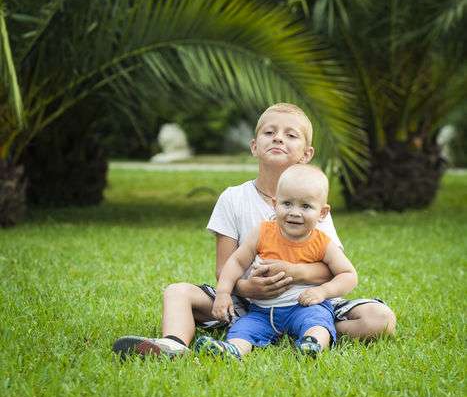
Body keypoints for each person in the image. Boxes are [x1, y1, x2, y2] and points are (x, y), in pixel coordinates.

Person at [113, 103, 396, 359]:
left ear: (306, 154)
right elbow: (225, 267)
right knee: (177, 292)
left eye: (291, 135)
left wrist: (293, 273)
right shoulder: (233, 198)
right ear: (254, 146)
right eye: (269, 132)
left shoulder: (313, 204)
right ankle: (173, 344)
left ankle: (312, 330)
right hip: (247, 302)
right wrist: (248, 289)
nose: (278, 138)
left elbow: (333, 269)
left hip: (308, 300)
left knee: (380, 318)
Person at [194, 164, 357, 359]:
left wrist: (323, 291)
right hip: (262, 311)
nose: (295, 212)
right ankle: (232, 350)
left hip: (304, 307)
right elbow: (236, 262)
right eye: (287, 203)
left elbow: (349, 275)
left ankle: (312, 345)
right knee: (243, 329)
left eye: (306, 206)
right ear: (274, 203)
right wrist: (222, 293)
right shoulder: (262, 233)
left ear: (322, 212)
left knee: (317, 323)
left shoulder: (322, 242)